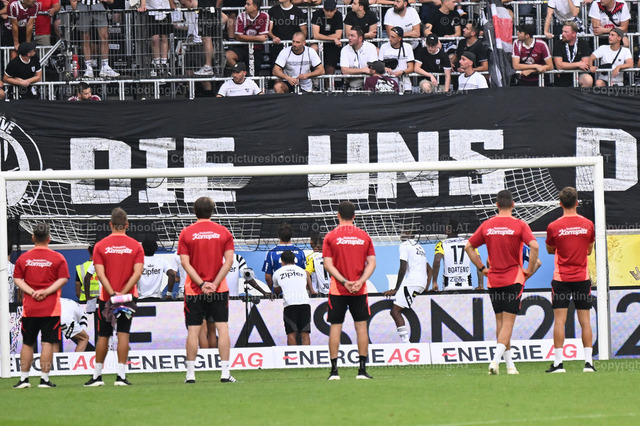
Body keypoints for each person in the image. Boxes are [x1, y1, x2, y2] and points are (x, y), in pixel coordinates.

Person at [464, 190, 539, 376]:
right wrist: (528, 270)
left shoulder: (487, 225)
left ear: (496, 205)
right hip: (513, 279)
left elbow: (468, 247)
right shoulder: (520, 225)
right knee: (508, 324)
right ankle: (495, 361)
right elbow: (535, 246)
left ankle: (510, 366)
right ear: (513, 205)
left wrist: (482, 269)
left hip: (493, 280)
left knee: (500, 321)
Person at [178, 196, 236, 383]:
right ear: (212, 210)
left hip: (194, 290)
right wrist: (215, 283)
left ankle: (190, 375)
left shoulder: (186, 233)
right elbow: (228, 262)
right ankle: (225, 373)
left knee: (193, 331)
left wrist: (202, 284)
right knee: (222, 328)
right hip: (219, 290)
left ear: (195, 212)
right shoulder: (224, 232)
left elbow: (185, 263)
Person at [84, 207, 144, 387]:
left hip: (106, 298)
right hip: (128, 298)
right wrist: (123, 293)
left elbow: (100, 274)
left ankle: (97, 376)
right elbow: (137, 273)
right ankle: (121, 376)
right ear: (127, 225)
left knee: (104, 334)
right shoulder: (136, 246)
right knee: (123, 333)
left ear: (110, 224)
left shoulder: (100, 246)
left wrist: (112, 294)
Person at [545, 187, 596, 373]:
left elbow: (550, 250)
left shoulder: (553, 226)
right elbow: (589, 250)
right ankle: (588, 363)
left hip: (561, 278)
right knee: (585, 320)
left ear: (560, 204)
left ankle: (559, 364)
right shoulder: (588, 224)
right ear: (576, 202)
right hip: (582, 278)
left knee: (559, 321)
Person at [12, 222, 69, 389]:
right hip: (50, 308)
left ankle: (24, 379)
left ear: (33, 237)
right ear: (49, 239)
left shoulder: (24, 258)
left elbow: (17, 280)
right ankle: (44, 379)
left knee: (28, 343)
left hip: (30, 309)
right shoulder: (58, 258)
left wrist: (31, 292)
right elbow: (64, 278)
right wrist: (46, 291)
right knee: (47, 343)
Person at [323, 201, 376, 380]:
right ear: (354, 216)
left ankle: (334, 371)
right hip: (359, 290)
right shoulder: (364, 236)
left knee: (335, 328)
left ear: (338, 215)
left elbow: (328, 264)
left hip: (338, 289)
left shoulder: (330, 236)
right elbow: (372, 263)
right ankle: (361, 370)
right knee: (361, 328)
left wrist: (344, 282)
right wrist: (359, 281)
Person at [383, 230, 430, 343]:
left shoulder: (405, 245)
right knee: (400, 309)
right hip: (420, 283)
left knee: (395, 311)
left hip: (412, 282)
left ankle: (406, 343)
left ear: (410, 234)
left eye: (404, 231)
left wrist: (396, 289)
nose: (401, 233)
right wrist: (426, 285)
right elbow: (430, 269)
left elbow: (403, 268)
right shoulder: (419, 247)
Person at [273, 250, 316, 345]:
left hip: (290, 304)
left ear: (282, 261)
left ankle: (293, 359)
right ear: (294, 260)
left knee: (291, 333)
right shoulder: (303, 271)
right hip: (305, 302)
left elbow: (276, 291)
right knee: (305, 334)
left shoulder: (277, 272)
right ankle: (306, 357)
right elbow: (306, 286)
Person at [70, 0, 120, 78]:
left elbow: (111, 1)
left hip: (98, 5)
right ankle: (88, 67)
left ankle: (105, 66)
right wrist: (75, 9)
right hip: (82, 5)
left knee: (104, 36)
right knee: (85, 38)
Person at [432, 218, 484, 292]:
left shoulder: (442, 244)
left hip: (449, 286)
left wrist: (434, 282)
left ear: (448, 230)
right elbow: (479, 263)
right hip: (467, 286)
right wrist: (481, 285)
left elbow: (437, 261)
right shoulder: (468, 243)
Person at [226, 0, 269, 76]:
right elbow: (238, 36)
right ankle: (241, 73)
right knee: (228, 56)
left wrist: (245, 37)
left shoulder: (264, 16)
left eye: (248, 4)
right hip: (242, 47)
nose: (245, 6)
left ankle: (249, 81)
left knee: (255, 75)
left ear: (255, 7)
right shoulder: (241, 16)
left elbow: (263, 37)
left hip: (257, 49)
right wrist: (257, 38)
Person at [263, 222, 306, 290]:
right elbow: (305, 274)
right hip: (298, 292)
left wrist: (274, 291)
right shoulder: (301, 252)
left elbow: (268, 277)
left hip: (280, 292)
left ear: (278, 236)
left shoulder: (271, 253)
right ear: (291, 235)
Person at [138, 0, 176, 77]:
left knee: (164, 37)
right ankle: (157, 64)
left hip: (165, 9)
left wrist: (172, 5)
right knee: (155, 38)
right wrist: (142, 6)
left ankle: (164, 64)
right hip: (152, 10)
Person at [268, 0, 307, 67]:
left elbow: (304, 32)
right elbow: (268, 30)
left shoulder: (298, 11)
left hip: (293, 47)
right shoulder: (273, 10)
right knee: (277, 70)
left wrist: (297, 41)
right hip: (277, 46)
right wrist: (274, 37)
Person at [552, 21, 592, 87]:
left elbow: (585, 65)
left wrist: (566, 65)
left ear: (574, 34)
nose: (563, 34)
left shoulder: (583, 44)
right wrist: (578, 64)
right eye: (563, 31)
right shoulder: (558, 44)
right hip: (563, 76)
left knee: (588, 80)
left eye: (566, 32)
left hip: (579, 75)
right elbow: (559, 65)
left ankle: (583, 97)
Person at [311, 0, 342, 77]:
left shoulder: (338, 15)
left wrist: (332, 38)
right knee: (313, 48)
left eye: (331, 10)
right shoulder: (317, 14)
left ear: (335, 9)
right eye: (327, 10)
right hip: (319, 42)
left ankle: (328, 87)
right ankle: (315, 82)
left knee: (330, 70)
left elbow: (338, 35)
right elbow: (315, 35)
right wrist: (333, 38)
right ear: (323, 8)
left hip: (332, 45)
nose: (329, 13)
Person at [378, 26, 414, 93]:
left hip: (404, 81)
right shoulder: (384, 47)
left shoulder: (407, 47)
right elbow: (379, 65)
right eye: (390, 36)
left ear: (399, 38)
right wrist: (385, 68)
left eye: (393, 37)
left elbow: (411, 67)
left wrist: (402, 72)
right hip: (388, 82)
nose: (390, 39)